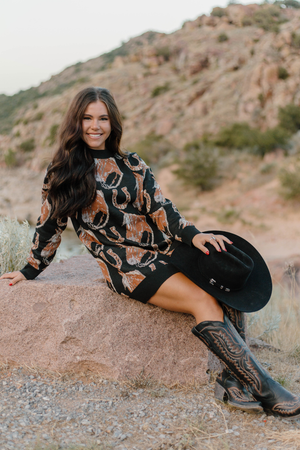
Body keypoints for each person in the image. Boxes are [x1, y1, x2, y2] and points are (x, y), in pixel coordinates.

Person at [1, 87, 299, 418]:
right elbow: (48, 226)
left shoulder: (132, 163)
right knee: (203, 301)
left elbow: (161, 209)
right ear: (76, 122)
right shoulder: (64, 170)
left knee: (223, 276)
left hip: (164, 247)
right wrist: (29, 269)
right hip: (126, 265)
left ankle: (232, 380)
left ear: (113, 122)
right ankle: (267, 390)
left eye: (103, 118)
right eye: (87, 118)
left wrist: (195, 236)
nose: (95, 126)